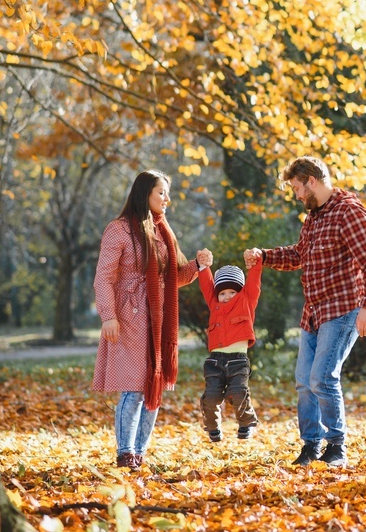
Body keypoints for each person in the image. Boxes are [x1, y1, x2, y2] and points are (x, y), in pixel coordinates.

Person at [245, 156, 366, 468]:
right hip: (313, 313)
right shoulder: (313, 217)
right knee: (303, 381)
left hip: (343, 308)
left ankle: (337, 447)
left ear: (311, 180)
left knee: (322, 377)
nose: (296, 195)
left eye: (297, 187)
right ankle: (311, 446)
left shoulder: (347, 211)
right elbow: (299, 255)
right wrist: (264, 256)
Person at [92, 169, 199, 468]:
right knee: (135, 386)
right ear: (145, 194)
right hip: (128, 318)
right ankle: (125, 452)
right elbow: (103, 277)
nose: (167, 199)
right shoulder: (120, 229)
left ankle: (139, 451)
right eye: (161, 192)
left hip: (158, 317)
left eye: (166, 193)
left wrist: (198, 266)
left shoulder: (163, 230)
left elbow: (173, 277)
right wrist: (108, 316)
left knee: (155, 384)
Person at [194, 247, 262, 442]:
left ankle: (246, 422)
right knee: (211, 397)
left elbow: (253, 283)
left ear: (240, 292)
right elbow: (207, 284)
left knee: (237, 393)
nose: (227, 296)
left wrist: (255, 264)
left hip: (238, 361)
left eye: (232, 291)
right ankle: (212, 428)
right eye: (222, 293)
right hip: (215, 361)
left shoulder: (246, 301)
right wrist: (204, 266)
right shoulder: (214, 304)